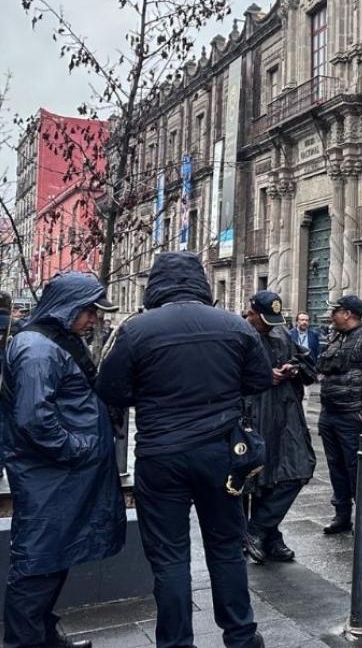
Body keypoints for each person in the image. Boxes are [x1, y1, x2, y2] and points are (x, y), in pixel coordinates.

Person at [95, 252, 271, 648]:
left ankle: (175, 642)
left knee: (170, 557)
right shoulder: (235, 326)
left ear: (156, 284)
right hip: (221, 455)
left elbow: (110, 389)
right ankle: (241, 636)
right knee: (226, 548)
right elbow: (259, 380)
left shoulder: (135, 330)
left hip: (161, 456)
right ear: (201, 283)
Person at [1, 273, 124, 648]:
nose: (94, 320)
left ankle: (42, 636)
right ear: (68, 307)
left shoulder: (53, 341)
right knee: (38, 564)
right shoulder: (38, 350)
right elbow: (34, 420)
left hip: (58, 478)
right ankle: (25, 642)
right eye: (90, 312)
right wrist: (80, 449)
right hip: (49, 477)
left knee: (52, 560)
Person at [241, 291, 318, 565]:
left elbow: (309, 366)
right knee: (254, 478)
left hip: (285, 413)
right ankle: (263, 536)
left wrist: (294, 368)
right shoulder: (237, 333)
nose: (269, 326)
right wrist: (263, 376)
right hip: (251, 414)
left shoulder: (282, 334)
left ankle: (259, 529)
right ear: (251, 313)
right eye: (264, 320)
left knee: (298, 468)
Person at [315, 295, 362, 534]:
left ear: (347, 313)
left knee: (357, 469)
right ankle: (342, 515)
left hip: (352, 417)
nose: (331, 315)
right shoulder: (336, 336)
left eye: (335, 311)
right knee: (336, 467)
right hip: (330, 414)